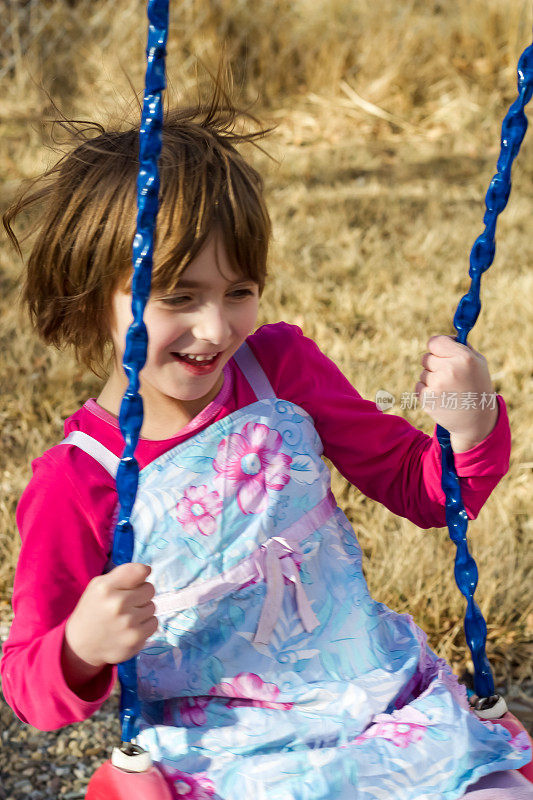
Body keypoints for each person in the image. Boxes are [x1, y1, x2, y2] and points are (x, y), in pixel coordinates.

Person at [1, 94, 532, 800]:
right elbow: (30, 687)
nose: (217, 329)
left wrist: (467, 421)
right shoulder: (77, 480)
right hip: (225, 752)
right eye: (178, 296)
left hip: (369, 703)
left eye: (239, 290)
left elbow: (420, 488)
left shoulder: (276, 368)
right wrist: (81, 647)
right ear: (89, 292)